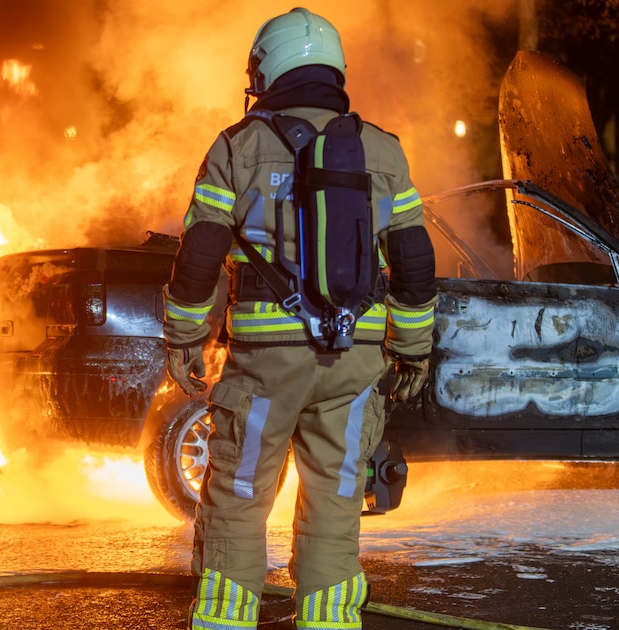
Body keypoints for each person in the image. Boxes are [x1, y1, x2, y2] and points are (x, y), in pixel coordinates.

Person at [161, 8, 437, 628]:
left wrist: (184, 336)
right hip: (354, 365)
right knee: (336, 507)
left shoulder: (238, 145)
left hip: (267, 367)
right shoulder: (384, 151)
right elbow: (415, 261)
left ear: (269, 68)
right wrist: (412, 350)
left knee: (238, 499)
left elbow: (202, 250)